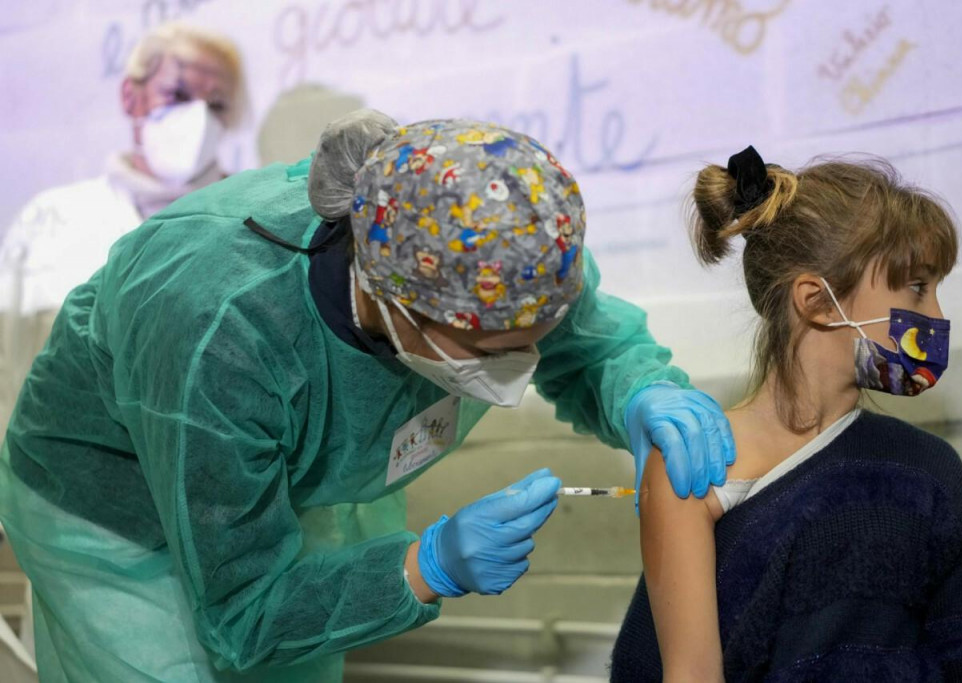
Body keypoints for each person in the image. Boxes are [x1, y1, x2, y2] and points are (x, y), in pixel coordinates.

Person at [0, 111, 734, 682]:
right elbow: (245, 608)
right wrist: (424, 566)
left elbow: (586, 341)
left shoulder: (507, 241)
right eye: (491, 354)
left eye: (535, 336)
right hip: (115, 511)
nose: (521, 368)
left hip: (279, 483)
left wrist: (641, 391)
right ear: (394, 301)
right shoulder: (223, 334)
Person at [610, 147, 962, 681]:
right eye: (917, 287)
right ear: (817, 302)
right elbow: (692, 674)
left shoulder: (932, 470)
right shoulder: (696, 468)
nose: (936, 316)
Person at [0, 22, 244, 426]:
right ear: (131, 96)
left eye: (216, 105)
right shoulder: (51, 222)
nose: (198, 119)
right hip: (57, 458)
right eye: (177, 95)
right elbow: (7, 365)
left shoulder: (252, 229)